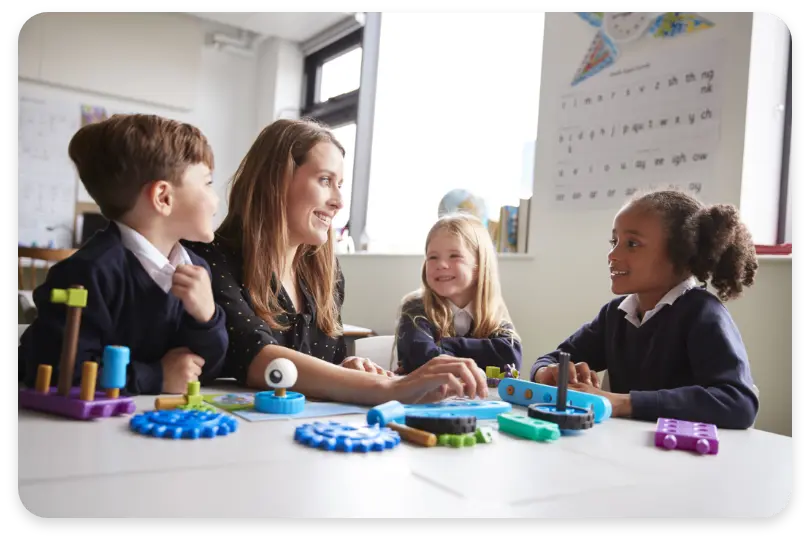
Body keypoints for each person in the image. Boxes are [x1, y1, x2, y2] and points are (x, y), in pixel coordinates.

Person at [186, 118, 487, 405]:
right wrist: (391, 387)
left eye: (339, 184)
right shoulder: (211, 259)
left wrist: (347, 366)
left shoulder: (324, 275)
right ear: (276, 182)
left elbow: (322, 368)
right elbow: (258, 358)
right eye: (325, 180)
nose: (338, 201)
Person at [19, 114, 228, 395]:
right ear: (163, 198)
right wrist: (157, 377)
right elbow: (61, 373)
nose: (216, 199)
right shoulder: (88, 273)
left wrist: (207, 318)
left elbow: (205, 370)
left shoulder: (196, 269)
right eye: (208, 183)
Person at [531, 190, 759, 429]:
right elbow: (551, 359)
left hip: (684, 460)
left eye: (632, 244)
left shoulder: (703, 314)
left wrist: (624, 403)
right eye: (614, 242)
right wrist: (547, 373)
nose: (613, 254)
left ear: (680, 254)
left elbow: (738, 403)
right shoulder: (615, 314)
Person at [394, 214, 522, 375]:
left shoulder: (493, 313)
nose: (441, 264)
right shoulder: (415, 308)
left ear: (479, 265)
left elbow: (510, 356)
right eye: (432, 257)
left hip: (480, 400)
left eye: (454, 256)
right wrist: (483, 355)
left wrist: (445, 346)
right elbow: (422, 359)